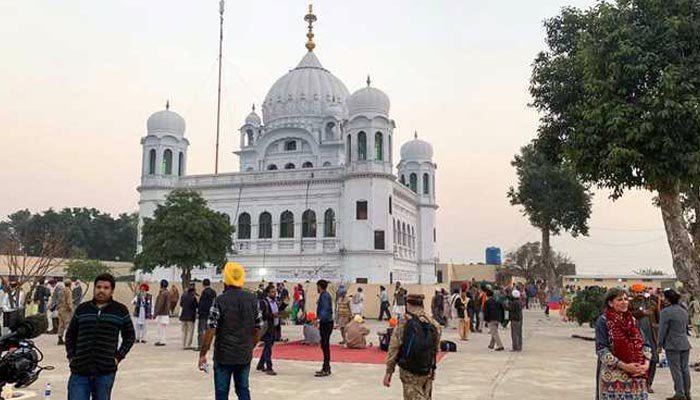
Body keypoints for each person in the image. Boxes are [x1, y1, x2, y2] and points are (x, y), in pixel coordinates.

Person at [65, 273, 135, 400]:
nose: (101, 290)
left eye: (106, 288)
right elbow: (70, 335)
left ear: (112, 290)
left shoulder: (120, 310)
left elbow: (130, 336)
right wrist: (71, 357)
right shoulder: (82, 309)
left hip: (105, 371)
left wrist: (118, 357)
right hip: (80, 370)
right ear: (94, 288)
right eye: (98, 287)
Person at [199, 262, 261, 400]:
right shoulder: (253, 300)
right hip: (244, 355)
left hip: (223, 355)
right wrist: (250, 346)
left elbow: (210, 329)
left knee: (221, 392)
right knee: (243, 389)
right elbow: (258, 328)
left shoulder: (219, 300)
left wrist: (203, 354)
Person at [595, 288, 650, 400]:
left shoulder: (633, 321)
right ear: (610, 303)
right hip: (613, 380)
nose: (624, 302)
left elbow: (646, 344)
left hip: (637, 378)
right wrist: (624, 366)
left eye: (626, 299)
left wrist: (646, 364)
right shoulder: (603, 321)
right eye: (620, 299)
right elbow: (601, 350)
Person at [384, 294, 441, 400]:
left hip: (409, 372)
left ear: (408, 304)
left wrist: (389, 371)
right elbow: (435, 349)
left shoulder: (404, 323)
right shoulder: (434, 324)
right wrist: (433, 368)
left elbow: (394, 348)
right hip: (427, 370)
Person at [659, 288, 691, 400]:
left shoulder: (665, 312)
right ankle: (687, 392)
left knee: (676, 370)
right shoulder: (684, 310)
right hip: (685, 343)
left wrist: (659, 344)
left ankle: (679, 393)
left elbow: (662, 330)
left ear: (668, 299)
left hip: (672, 344)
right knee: (685, 369)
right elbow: (686, 327)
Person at [630, 287, 659, 392]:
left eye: (641, 292)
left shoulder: (650, 302)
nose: (639, 294)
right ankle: (640, 383)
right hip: (637, 338)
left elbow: (656, 316)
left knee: (653, 360)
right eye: (637, 292)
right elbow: (629, 314)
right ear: (633, 293)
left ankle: (649, 384)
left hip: (651, 337)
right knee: (640, 361)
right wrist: (641, 313)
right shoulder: (630, 304)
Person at [256, 285, 280, 375]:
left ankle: (261, 364)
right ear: (268, 293)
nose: (274, 293)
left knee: (268, 346)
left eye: (275, 292)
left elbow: (277, 311)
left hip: (274, 327)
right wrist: (272, 315)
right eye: (272, 292)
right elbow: (261, 315)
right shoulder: (264, 302)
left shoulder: (275, 302)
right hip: (267, 328)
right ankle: (269, 367)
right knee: (268, 347)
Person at [315, 279, 333, 377]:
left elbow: (325, 310)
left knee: (325, 345)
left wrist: (318, 319)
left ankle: (326, 368)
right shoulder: (324, 295)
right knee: (324, 345)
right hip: (326, 322)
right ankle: (326, 367)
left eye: (317, 286)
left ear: (319, 286)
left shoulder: (325, 296)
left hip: (326, 323)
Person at [197, 279, 217, 351]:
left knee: (201, 330)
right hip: (211, 314)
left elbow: (202, 304)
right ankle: (207, 345)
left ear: (203, 284)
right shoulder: (213, 292)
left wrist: (199, 312)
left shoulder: (204, 292)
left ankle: (201, 346)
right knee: (209, 331)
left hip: (203, 314)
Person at [57, 278, 75, 346]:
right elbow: (69, 301)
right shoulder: (69, 291)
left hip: (60, 309)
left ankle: (60, 338)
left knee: (61, 324)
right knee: (68, 324)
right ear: (70, 284)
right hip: (66, 310)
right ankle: (69, 339)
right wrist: (71, 309)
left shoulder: (61, 291)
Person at [154, 279, 170, 346]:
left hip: (161, 313)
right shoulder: (167, 292)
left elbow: (160, 304)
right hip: (165, 313)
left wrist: (156, 313)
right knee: (163, 328)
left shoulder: (162, 293)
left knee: (160, 328)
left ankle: (161, 341)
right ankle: (161, 340)